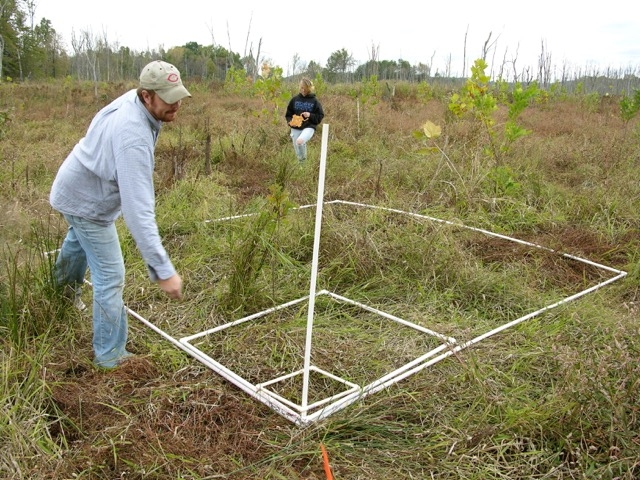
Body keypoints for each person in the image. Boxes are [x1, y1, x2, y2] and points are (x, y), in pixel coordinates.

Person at [49, 60, 191, 369]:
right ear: (146, 96)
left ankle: (58, 296)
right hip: (87, 202)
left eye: (178, 95)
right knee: (110, 275)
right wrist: (162, 269)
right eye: (168, 98)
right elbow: (138, 210)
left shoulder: (136, 102)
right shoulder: (133, 136)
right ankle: (110, 355)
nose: (176, 104)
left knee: (78, 243)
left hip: (75, 187)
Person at [285, 77, 324, 161]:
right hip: (295, 127)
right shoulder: (294, 100)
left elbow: (320, 116)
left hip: (309, 127)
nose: (303, 90)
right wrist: (290, 122)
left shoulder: (314, 101)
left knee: (300, 141)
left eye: (305, 88)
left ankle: (303, 162)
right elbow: (288, 114)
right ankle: (302, 166)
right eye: (301, 88)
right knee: (298, 152)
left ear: (309, 89)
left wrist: (310, 115)